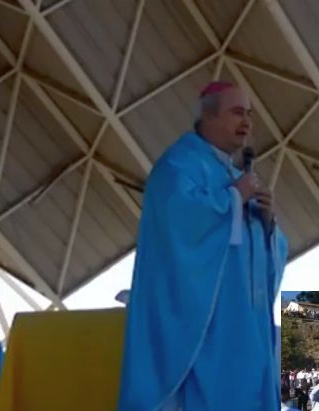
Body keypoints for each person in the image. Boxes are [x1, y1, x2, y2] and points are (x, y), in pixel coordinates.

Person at [118, 81, 288, 411]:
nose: (247, 123)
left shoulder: (233, 173)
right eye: (237, 113)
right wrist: (234, 197)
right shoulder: (178, 166)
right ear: (208, 117)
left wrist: (268, 225)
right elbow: (183, 225)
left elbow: (261, 258)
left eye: (249, 115)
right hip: (204, 328)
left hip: (244, 328)